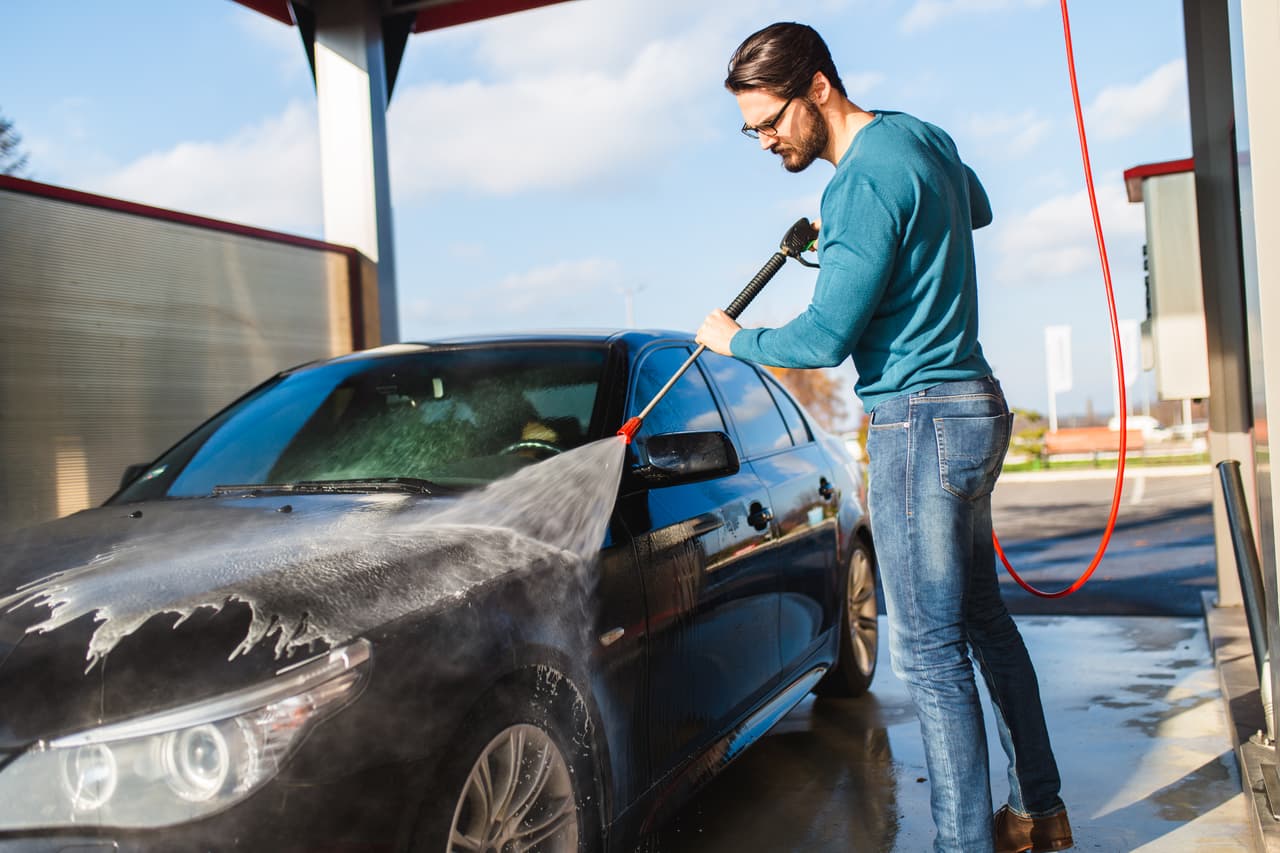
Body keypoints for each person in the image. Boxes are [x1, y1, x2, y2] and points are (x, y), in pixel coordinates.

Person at [695, 22, 1072, 853]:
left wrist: (735, 340)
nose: (764, 140)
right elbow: (974, 204)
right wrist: (879, 251)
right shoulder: (917, 137)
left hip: (919, 418)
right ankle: (1041, 813)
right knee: (983, 622)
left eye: (770, 121)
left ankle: (964, 843)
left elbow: (823, 338)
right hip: (976, 406)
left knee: (930, 651)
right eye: (751, 128)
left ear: (818, 88)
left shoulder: (856, 184)